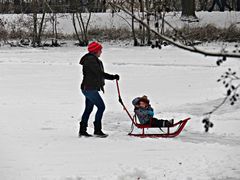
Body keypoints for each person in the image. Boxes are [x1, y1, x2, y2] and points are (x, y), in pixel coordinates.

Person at [79, 41, 120, 137]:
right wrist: (113, 77)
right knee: (101, 107)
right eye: (100, 50)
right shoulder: (90, 60)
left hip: (89, 88)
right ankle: (97, 130)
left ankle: (83, 130)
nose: (101, 52)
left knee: (88, 109)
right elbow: (99, 73)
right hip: (89, 89)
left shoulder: (92, 59)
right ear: (95, 51)